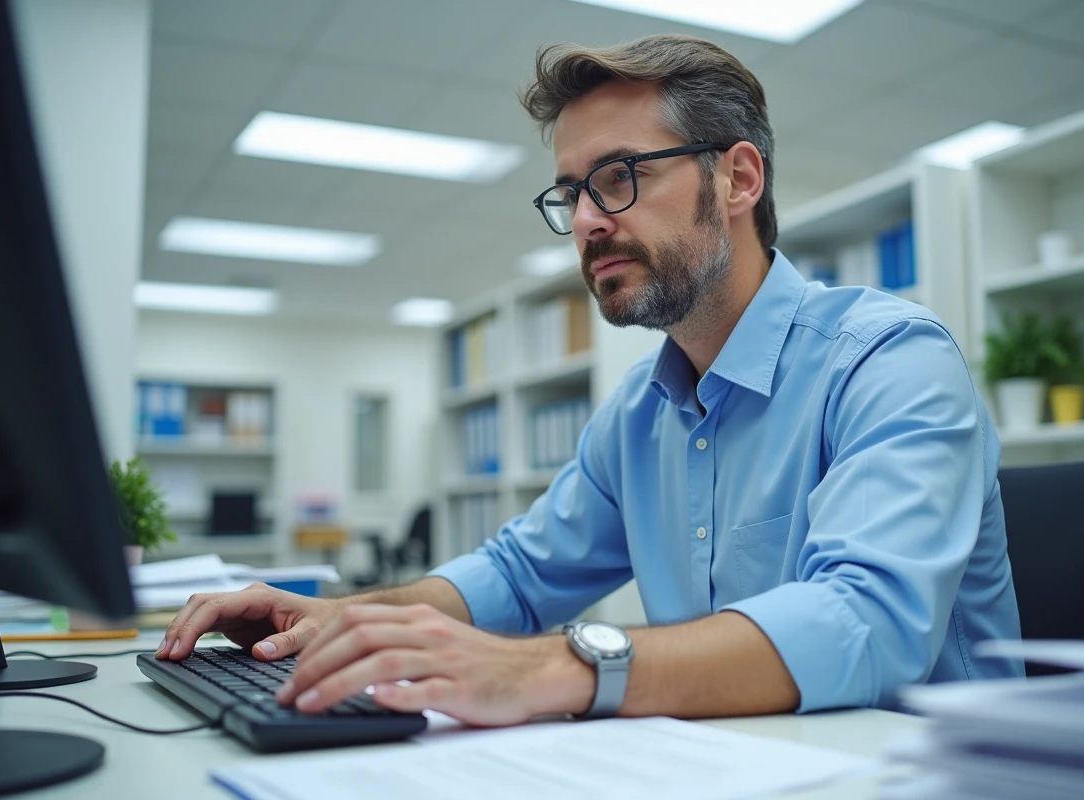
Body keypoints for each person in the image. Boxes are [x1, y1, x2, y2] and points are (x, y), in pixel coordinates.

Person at [158, 34, 1023, 725]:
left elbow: (864, 625)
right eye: (570, 193)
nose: (583, 222)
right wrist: (346, 619)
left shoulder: (889, 360)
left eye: (617, 178)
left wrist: (548, 668)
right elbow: (520, 575)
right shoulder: (640, 414)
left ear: (738, 178)